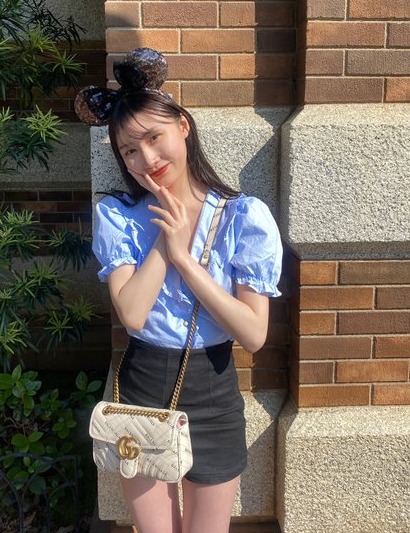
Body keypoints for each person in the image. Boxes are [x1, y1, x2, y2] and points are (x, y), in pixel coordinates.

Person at [75, 48, 282, 533]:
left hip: (214, 389)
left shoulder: (242, 216)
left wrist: (186, 261)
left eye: (154, 138)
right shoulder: (119, 216)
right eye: (129, 150)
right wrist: (165, 245)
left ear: (183, 127)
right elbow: (132, 314)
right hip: (143, 384)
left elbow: (254, 334)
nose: (146, 159)